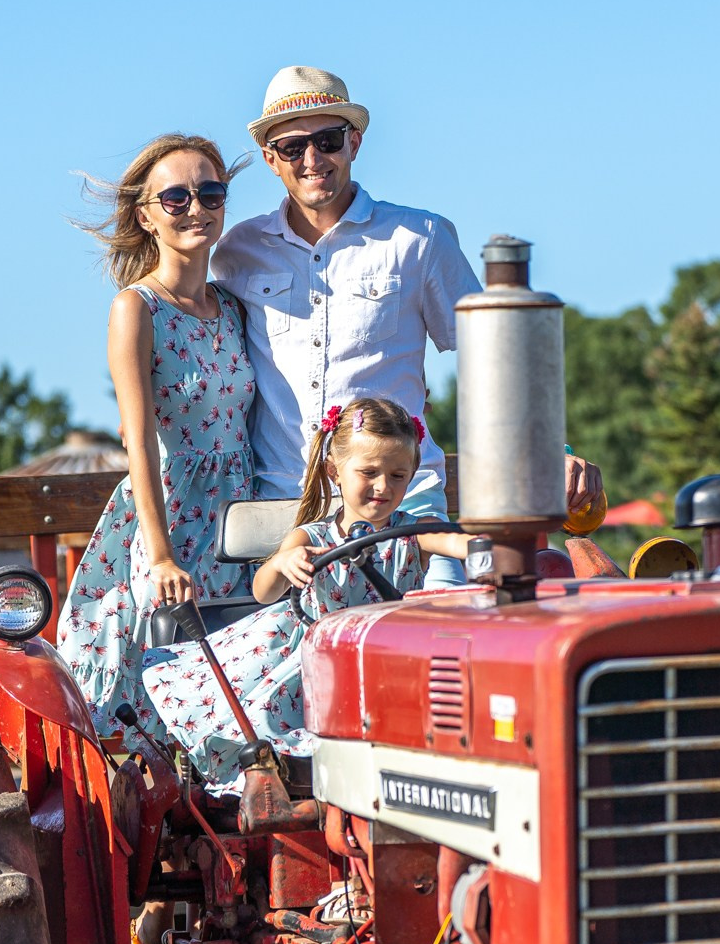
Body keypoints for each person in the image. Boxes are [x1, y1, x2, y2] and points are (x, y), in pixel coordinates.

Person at [210, 66, 602, 579]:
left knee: (439, 637)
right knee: (301, 653)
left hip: (408, 507)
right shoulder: (239, 250)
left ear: (354, 142)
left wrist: (553, 452)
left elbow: (496, 357)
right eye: (291, 147)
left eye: (327, 139)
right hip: (289, 513)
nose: (312, 159)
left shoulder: (420, 238)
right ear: (271, 159)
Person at [143, 397, 468, 790]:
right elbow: (264, 592)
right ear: (334, 471)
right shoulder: (311, 537)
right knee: (271, 724)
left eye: (398, 476)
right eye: (369, 472)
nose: (384, 487)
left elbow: (463, 544)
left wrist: (492, 545)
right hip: (322, 658)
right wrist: (282, 563)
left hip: (391, 659)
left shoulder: (418, 531)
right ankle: (277, 783)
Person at [58, 133, 257, 744]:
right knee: (162, 671)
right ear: (146, 216)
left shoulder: (232, 307)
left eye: (210, 192)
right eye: (175, 197)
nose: (196, 207)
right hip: (169, 515)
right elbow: (138, 441)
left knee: (232, 671)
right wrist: (161, 552)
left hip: (238, 512)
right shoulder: (136, 308)